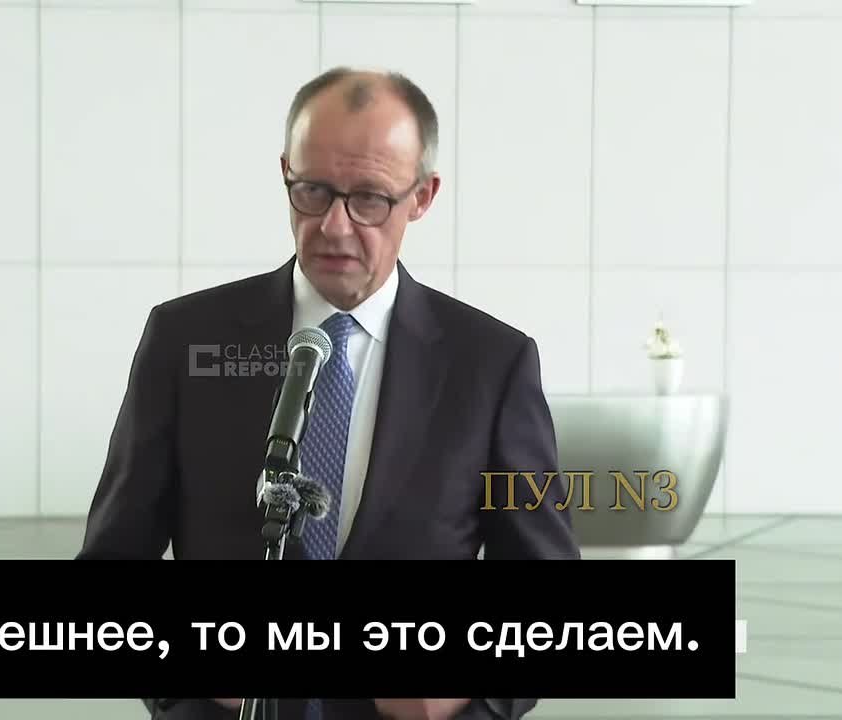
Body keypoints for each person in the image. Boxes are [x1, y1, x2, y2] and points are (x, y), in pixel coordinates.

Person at [77, 67, 581, 719]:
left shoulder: (492, 364)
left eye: (369, 198)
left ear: (422, 196)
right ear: (285, 174)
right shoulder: (185, 340)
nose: (335, 227)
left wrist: (466, 697)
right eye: (312, 192)